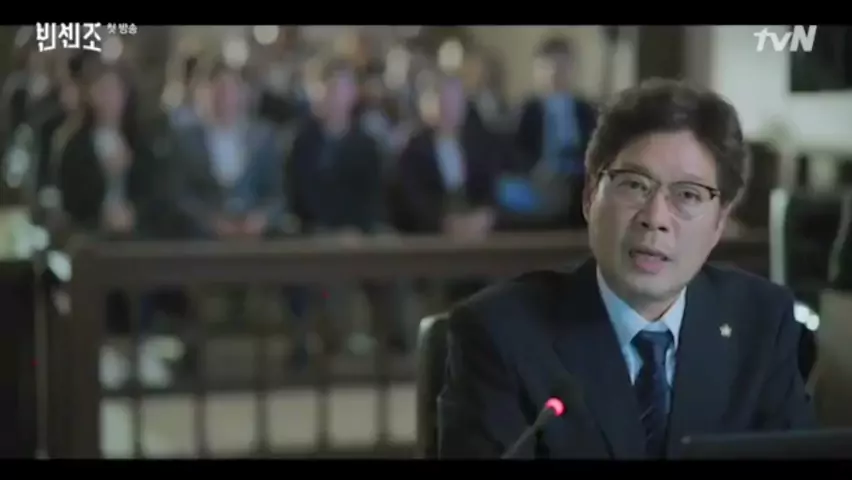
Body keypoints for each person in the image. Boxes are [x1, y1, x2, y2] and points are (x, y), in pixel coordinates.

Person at [438, 79, 817, 459]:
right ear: (590, 197)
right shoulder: (499, 334)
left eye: (688, 195)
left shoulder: (763, 323)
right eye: (634, 185)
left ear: (720, 222)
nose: (655, 218)